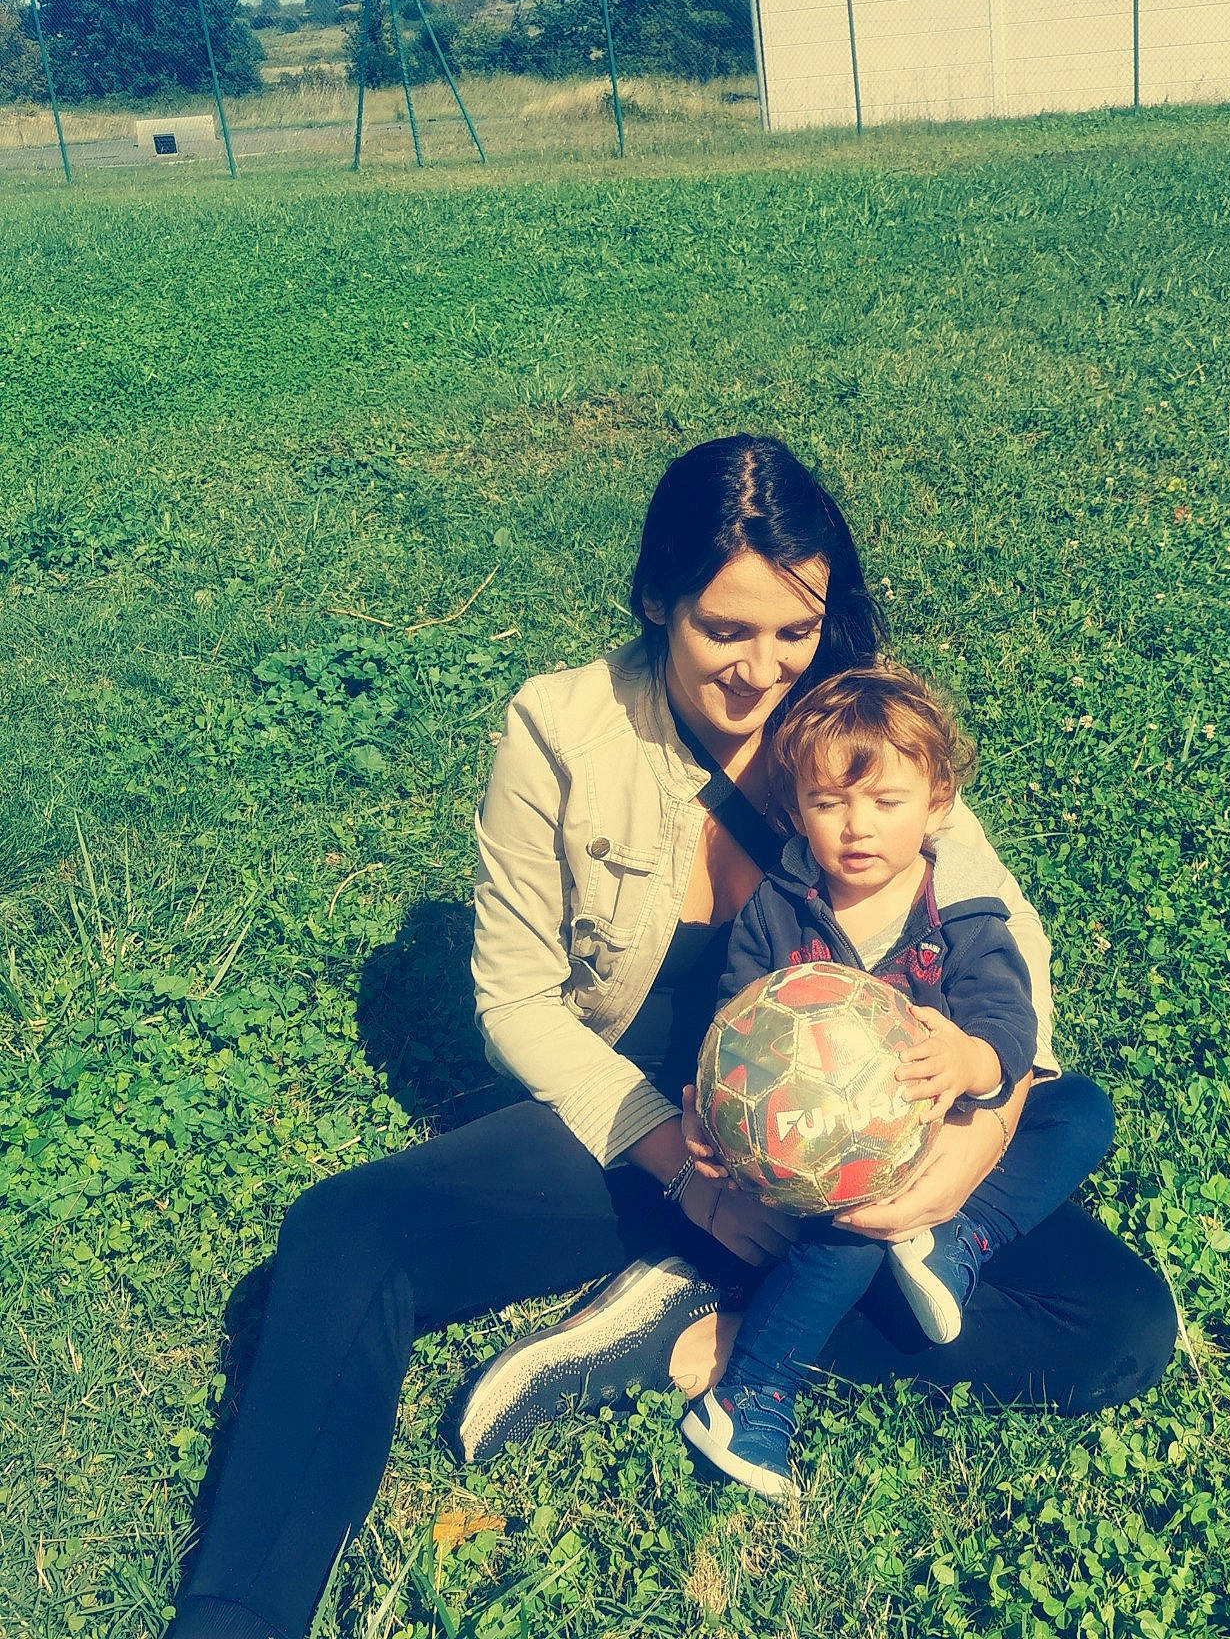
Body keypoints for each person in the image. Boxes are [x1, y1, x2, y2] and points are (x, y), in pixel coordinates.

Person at [165, 436, 1175, 1639]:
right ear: (657, 599)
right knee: (345, 1228)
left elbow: (1000, 931)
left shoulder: (858, 721)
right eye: (724, 630)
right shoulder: (558, 726)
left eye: (792, 631)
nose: (762, 671)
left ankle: (714, 1330)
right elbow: (515, 999)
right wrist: (674, 1169)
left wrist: (974, 1136)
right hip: (650, 1128)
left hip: (868, 1140)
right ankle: (235, 1615)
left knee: (1115, 1325)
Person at [679, 664, 1114, 1499]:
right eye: (828, 804)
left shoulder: (963, 916)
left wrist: (969, 1063)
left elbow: (1010, 1030)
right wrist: (712, 1102)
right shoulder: (778, 909)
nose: (856, 829)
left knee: (1082, 1112)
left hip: (946, 1138)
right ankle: (751, 1395)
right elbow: (732, 1025)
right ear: (795, 811)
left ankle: (960, 1239)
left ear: (937, 803)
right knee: (853, 1230)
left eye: (885, 803)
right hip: (831, 1154)